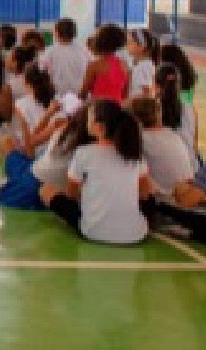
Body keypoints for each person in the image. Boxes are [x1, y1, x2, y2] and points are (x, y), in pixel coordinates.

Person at [41, 99, 152, 244]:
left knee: (46, 190)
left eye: (89, 118)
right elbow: (144, 194)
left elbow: (71, 195)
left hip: (92, 231)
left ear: (99, 127)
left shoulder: (83, 153)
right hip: (135, 234)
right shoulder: (135, 155)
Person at [39, 17, 90, 98]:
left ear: (57, 33)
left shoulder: (50, 51)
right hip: (79, 93)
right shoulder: (84, 50)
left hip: (58, 94)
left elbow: (42, 71)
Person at [79, 25, 128, 102]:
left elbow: (83, 93)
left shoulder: (95, 65)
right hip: (117, 108)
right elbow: (125, 94)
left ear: (100, 41)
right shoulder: (124, 65)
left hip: (98, 109)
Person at [126, 29, 159, 99]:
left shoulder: (145, 66)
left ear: (141, 47)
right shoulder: (135, 63)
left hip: (140, 107)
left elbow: (147, 93)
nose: (126, 45)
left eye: (130, 42)